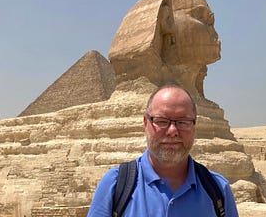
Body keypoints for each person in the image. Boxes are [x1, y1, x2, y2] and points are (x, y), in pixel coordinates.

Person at [87, 84, 239, 216]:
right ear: (145, 123)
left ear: (194, 125)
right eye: (161, 121)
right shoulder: (115, 185)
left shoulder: (217, 189)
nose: (172, 130)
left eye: (183, 121)